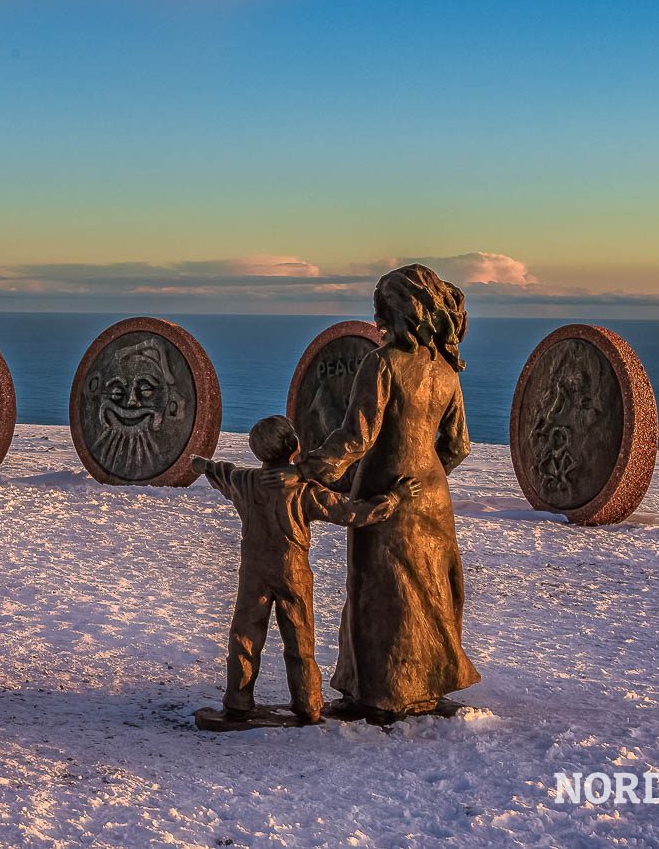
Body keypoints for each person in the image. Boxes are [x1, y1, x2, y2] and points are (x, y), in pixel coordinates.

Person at [299, 264, 481, 723]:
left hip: (384, 485)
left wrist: (308, 468)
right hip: (433, 495)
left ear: (403, 310)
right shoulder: (447, 371)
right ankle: (427, 686)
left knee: (379, 590)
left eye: (381, 308)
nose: (376, 319)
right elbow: (457, 446)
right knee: (432, 590)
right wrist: (430, 474)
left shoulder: (382, 363)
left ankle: (380, 693)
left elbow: (356, 438)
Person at [193, 414, 419, 726]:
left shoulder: (245, 482)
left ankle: (238, 700)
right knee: (300, 642)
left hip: (254, 575)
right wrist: (395, 498)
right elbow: (352, 512)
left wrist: (202, 464)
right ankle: (308, 703)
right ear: (295, 448)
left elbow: (220, 472)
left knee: (244, 638)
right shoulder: (304, 491)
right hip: (293, 574)